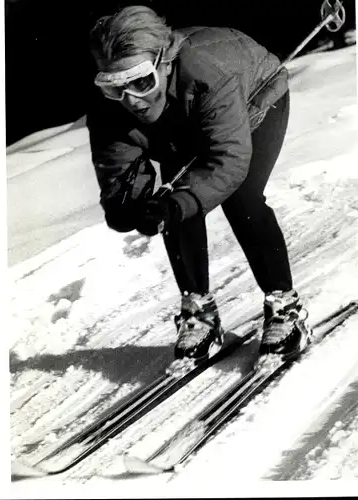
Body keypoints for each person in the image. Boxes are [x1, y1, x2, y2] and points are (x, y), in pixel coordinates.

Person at [87, 5, 311, 362]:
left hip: (253, 100)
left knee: (241, 197)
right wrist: (131, 208)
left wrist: (178, 204)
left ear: (164, 62)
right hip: (182, 116)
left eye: (141, 82)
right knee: (170, 204)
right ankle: (199, 312)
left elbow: (227, 160)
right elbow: (119, 171)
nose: (131, 100)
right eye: (115, 88)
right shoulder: (108, 108)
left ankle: (285, 306)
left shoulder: (209, 71)